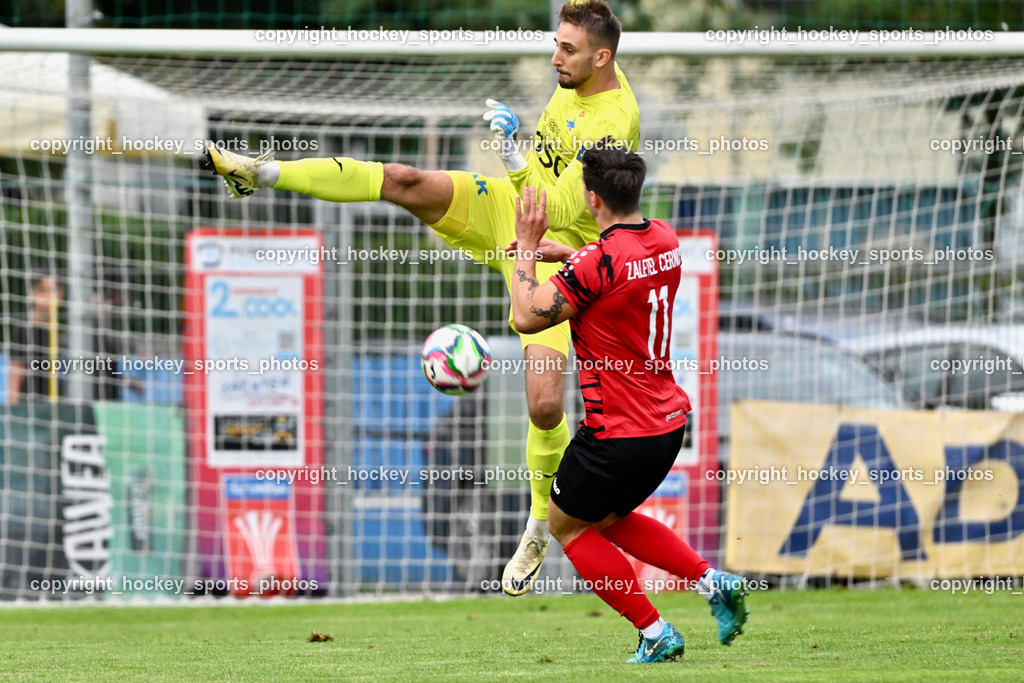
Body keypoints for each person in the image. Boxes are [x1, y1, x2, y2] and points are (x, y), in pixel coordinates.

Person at [205, 0, 641, 595]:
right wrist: (517, 166)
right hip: (514, 215)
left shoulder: (613, 119)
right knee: (404, 181)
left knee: (543, 406)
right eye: (555, 44)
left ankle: (540, 524)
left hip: (557, 251)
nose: (555, 57)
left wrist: (512, 156)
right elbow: (538, 184)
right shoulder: (568, 85)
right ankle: (260, 173)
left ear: (602, 56)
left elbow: (563, 209)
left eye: (567, 49)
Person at [507, 144, 749, 663]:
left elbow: (528, 316)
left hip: (617, 433)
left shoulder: (598, 261)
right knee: (611, 519)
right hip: (666, 426)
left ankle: (654, 630)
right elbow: (618, 270)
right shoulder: (665, 237)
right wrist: (565, 254)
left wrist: (527, 248)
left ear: (593, 200)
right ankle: (713, 582)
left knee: (566, 525)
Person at [7, 273, 64, 403]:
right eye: (43, 290)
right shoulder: (23, 330)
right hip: (30, 406)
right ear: (32, 293)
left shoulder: (62, 331)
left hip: (57, 407)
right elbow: (15, 376)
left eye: (54, 290)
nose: (49, 296)